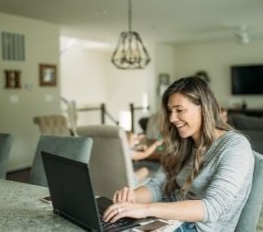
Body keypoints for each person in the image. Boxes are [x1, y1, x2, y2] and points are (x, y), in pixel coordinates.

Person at [103, 76, 254, 232]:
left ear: (204, 107)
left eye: (179, 110)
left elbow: (212, 208)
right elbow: (157, 187)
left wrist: (146, 209)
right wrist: (130, 199)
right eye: (170, 111)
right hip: (167, 221)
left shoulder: (235, 146)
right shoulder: (183, 144)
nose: (172, 118)